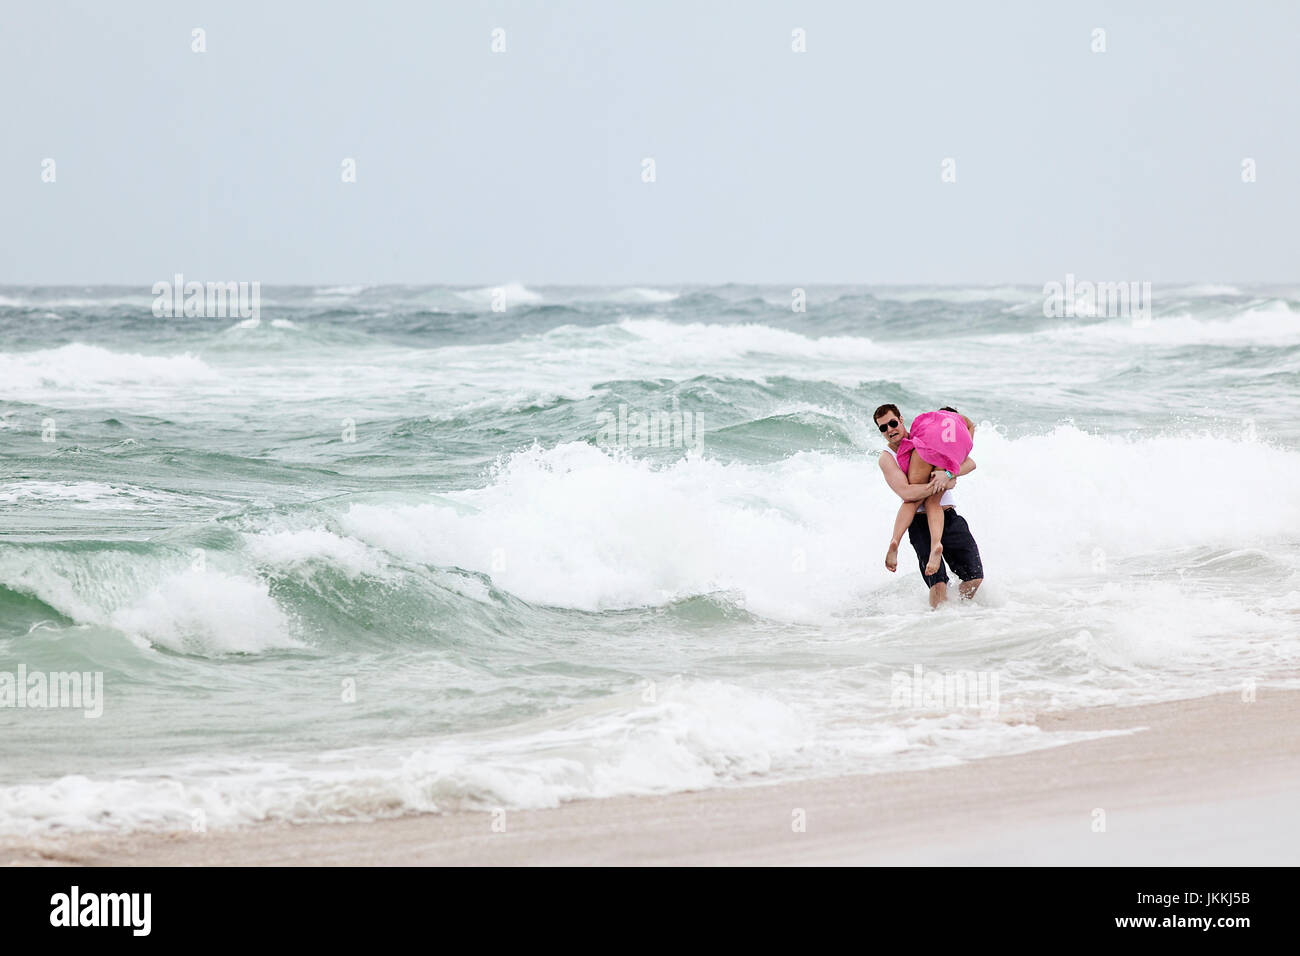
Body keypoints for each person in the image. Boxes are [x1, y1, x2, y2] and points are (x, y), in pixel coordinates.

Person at [874, 404, 984, 608]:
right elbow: (906, 493)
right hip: (919, 523)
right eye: (883, 428)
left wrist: (948, 474)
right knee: (938, 585)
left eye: (892, 423)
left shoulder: (924, 437)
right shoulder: (886, 458)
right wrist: (939, 484)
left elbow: (970, 462)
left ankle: (961, 616)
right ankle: (939, 625)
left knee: (974, 578)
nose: (889, 429)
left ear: (901, 419)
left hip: (949, 517)